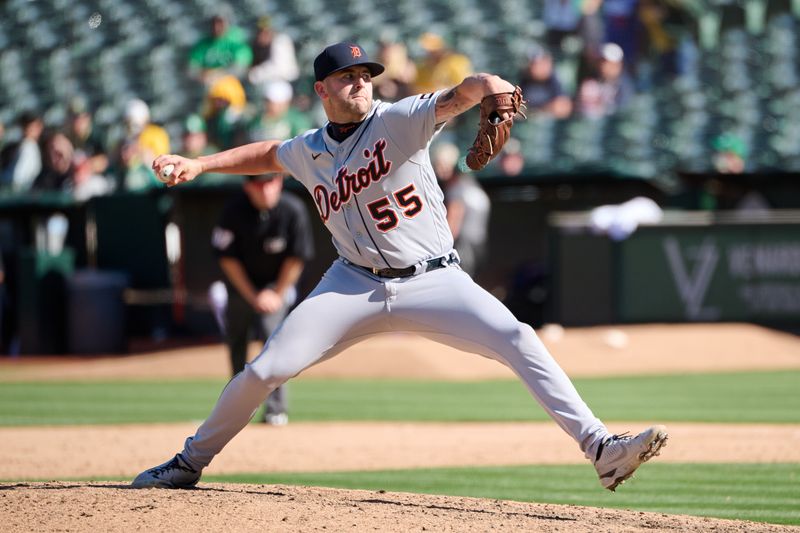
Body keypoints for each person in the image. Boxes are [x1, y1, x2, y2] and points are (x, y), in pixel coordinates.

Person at [132, 41, 668, 491]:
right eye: (347, 77)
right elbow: (269, 153)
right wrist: (199, 163)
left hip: (434, 278)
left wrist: (494, 89)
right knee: (265, 370)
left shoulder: (400, 120)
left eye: (365, 74)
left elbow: (470, 88)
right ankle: (187, 464)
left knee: (519, 336)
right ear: (321, 90)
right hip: (352, 284)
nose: (360, 83)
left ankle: (601, 447)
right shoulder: (309, 149)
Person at [209, 172, 314, 425]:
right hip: (241, 286)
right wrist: (252, 295)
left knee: (274, 341)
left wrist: (275, 294)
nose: (265, 190)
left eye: (271, 182)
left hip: (275, 285)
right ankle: (235, 407)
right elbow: (227, 258)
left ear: (279, 182)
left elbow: (296, 258)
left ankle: (276, 409)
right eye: (259, 184)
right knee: (237, 342)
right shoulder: (234, 210)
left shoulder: (293, 209)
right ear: (248, 187)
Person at [431, 142, 490, 277]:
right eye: (438, 165)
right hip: (478, 245)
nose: (441, 170)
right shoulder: (469, 183)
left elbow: (452, 229)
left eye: (445, 165)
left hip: (464, 250)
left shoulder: (456, 190)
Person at [188, 8, 253, 86]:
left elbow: (240, 67)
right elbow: (192, 69)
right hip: (208, 86)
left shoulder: (237, 41)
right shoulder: (203, 44)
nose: (216, 27)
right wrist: (203, 75)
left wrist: (216, 74)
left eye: (220, 23)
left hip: (231, 86)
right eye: (214, 23)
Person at [243, 80, 312, 144]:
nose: (268, 105)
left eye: (271, 102)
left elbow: (302, 146)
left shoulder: (297, 120)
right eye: (267, 101)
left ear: (285, 103)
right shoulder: (256, 121)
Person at [518, 45, 573, 119]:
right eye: (532, 63)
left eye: (537, 64)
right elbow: (517, 107)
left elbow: (563, 108)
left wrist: (539, 111)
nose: (534, 67)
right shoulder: (525, 79)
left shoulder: (555, 79)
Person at [247, 16, 300, 91]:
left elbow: (281, 69)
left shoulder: (281, 41)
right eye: (259, 32)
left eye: (265, 32)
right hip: (268, 84)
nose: (261, 36)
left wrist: (256, 73)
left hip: (286, 84)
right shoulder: (258, 46)